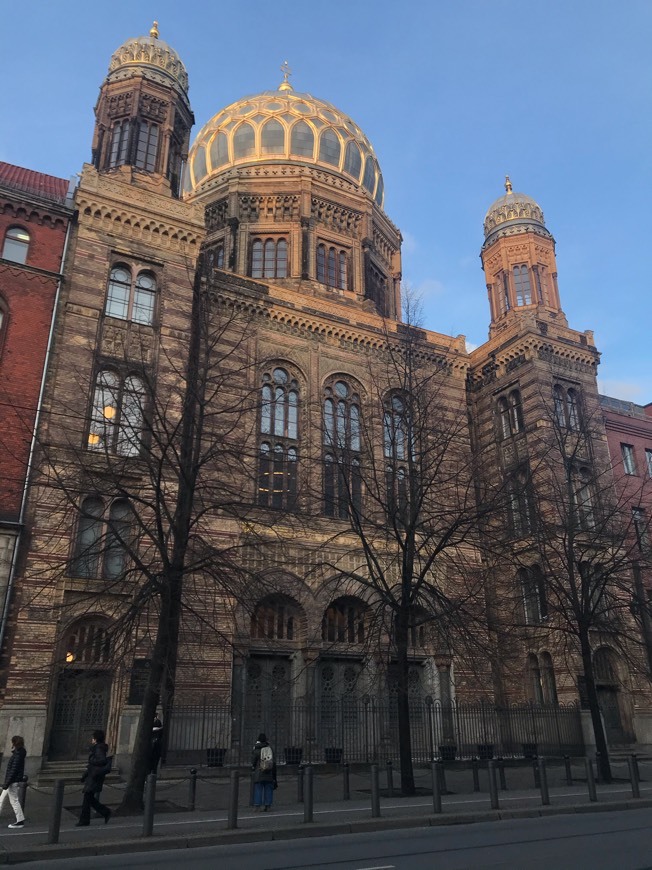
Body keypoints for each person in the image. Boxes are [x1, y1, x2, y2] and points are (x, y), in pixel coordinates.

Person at [76, 730, 111, 826]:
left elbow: (101, 760)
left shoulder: (98, 748)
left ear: (95, 739)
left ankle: (85, 820)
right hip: (93, 775)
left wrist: (91, 760)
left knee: (87, 797)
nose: (91, 740)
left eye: (93, 738)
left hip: (95, 776)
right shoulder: (99, 748)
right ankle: (105, 812)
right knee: (89, 798)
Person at [0, 735, 26, 828]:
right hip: (11, 781)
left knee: (14, 800)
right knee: (1, 799)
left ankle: (20, 821)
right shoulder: (18, 753)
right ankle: (20, 820)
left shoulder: (18, 754)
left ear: (14, 743)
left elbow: (13, 770)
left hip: (12, 781)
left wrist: (6, 783)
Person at [251, 732, 277, 811]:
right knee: (268, 788)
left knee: (258, 788)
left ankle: (257, 806)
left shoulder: (256, 749)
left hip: (259, 771)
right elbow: (273, 761)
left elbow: (253, 761)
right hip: (269, 772)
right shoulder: (270, 749)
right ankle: (268, 805)